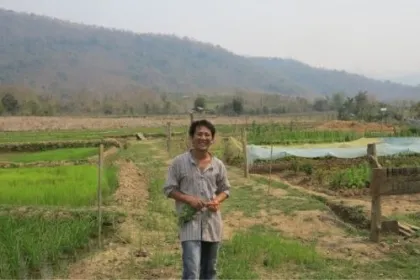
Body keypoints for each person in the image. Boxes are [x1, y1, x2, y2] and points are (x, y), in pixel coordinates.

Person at [163, 119, 231, 280]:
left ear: (212, 139)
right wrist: (188, 199)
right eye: (199, 134)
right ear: (191, 137)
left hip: (212, 223)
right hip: (189, 223)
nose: (203, 138)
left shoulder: (218, 165)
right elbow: (168, 189)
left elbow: (225, 190)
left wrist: (217, 201)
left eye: (207, 135)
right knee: (191, 271)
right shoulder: (179, 163)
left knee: (210, 271)